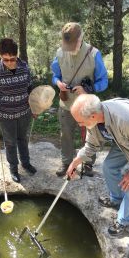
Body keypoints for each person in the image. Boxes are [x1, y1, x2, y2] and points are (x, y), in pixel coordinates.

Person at [67, 94, 129, 236]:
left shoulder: (126, 119)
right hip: (124, 140)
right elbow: (91, 145)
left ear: (93, 116)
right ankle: (117, 199)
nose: (79, 125)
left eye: (80, 122)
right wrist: (75, 162)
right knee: (108, 167)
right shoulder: (95, 119)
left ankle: (124, 220)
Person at [51, 22, 108, 177]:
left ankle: (88, 164)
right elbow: (55, 75)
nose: (69, 48)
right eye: (66, 43)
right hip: (66, 104)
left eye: (72, 44)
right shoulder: (59, 53)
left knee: (91, 134)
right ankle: (66, 163)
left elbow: (104, 81)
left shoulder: (94, 53)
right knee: (66, 134)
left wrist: (88, 89)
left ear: (81, 38)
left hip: (87, 106)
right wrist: (58, 83)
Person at [0, 38, 36, 183]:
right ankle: (14, 169)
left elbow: (30, 89)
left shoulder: (24, 67)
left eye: (12, 59)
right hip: (5, 115)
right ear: (0, 55)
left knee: (23, 139)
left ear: (17, 55)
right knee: (10, 143)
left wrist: (35, 106)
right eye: (5, 59)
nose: (9, 63)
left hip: (24, 112)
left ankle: (26, 164)